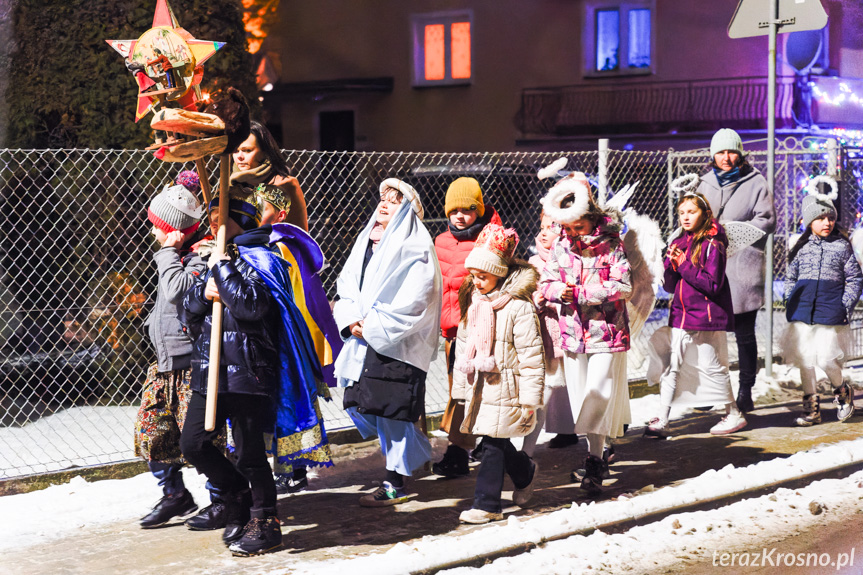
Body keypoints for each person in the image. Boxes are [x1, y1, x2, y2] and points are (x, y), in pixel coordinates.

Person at [180, 187, 321, 556]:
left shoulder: (263, 257)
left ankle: (265, 520)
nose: (212, 230)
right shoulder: (214, 257)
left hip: (248, 371)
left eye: (219, 222)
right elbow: (188, 311)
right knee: (193, 443)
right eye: (209, 224)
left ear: (239, 221)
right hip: (210, 367)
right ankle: (236, 495)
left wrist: (223, 268)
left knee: (249, 453)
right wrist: (204, 292)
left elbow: (250, 307)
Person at [334, 178, 442, 506]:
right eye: (383, 198)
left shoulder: (417, 245)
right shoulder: (366, 242)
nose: (384, 205)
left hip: (398, 344)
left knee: (392, 411)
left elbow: (417, 298)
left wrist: (375, 326)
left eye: (394, 201)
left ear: (407, 210)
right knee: (364, 406)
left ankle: (395, 479)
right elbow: (347, 280)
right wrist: (352, 319)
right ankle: (415, 455)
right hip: (365, 338)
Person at [540, 172, 631, 494]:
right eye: (568, 227)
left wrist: (579, 293)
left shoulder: (611, 244)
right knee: (582, 399)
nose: (574, 232)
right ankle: (597, 453)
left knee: (598, 392)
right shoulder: (562, 246)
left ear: (591, 218)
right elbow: (546, 282)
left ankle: (595, 459)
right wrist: (556, 292)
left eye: (579, 225)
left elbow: (623, 286)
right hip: (573, 334)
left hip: (606, 332)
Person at [453, 224, 544, 524]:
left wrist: (530, 399)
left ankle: (488, 504)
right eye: (474, 276)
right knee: (495, 440)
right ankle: (525, 471)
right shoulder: (476, 303)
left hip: (508, 386)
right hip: (481, 384)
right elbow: (464, 346)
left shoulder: (519, 307)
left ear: (500, 274)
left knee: (492, 443)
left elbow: (532, 356)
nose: (477, 283)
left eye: (484, 277)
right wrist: (459, 389)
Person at [256, 183, 337, 495]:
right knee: (275, 405)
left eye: (260, 208)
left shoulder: (283, 246)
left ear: (280, 213)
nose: (254, 214)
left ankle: (294, 468)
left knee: (292, 402)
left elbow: (301, 297)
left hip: (288, 338)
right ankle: (282, 466)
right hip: (269, 336)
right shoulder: (257, 243)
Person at [135, 178, 206, 528]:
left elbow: (178, 293)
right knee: (152, 432)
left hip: (190, 367)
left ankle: (225, 496)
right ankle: (175, 494)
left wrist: (168, 251)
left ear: (174, 230)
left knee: (204, 442)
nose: (152, 232)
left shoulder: (198, 259)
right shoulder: (174, 256)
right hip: (163, 367)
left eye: (157, 227)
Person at [644, 190, 744, 438]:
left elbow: (712, 284)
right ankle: (663, 419)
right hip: (681, 315)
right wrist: (668, 266)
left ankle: (734, 414)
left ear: (704, 213)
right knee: (672, 365)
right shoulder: (678, 242)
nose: (685, 217)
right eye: (681, 213)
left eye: (692, 211)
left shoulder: (714, 243)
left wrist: (684, 265)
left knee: (715, 368)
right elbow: (669, 286)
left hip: (706, 318)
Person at [697, 129, 776, 413]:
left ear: (740, 153)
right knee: (709, 334)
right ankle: (711, 390)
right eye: (720, 152)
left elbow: (766, 220)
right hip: (710, 269)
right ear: (712, 155)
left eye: (731, 152)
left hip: (743, 266)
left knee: (744, 334)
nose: (726, 158)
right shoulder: (704, 183)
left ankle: (745, 390)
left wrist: (734, 234)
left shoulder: (756, 182)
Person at [433, 177, 503, 477]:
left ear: (479, 209)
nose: (460, 216)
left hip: (484, 331)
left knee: (485, 393)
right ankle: (464, 448)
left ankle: (466, 449)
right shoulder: (441, 242)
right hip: (452, 333)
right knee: (459, 394)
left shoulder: (491, 238)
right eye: (454, 210)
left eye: (467, 209)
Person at [782, 183, 862, 426]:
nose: (826, 222)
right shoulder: (801, 248)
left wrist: (845, 304)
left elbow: (855, 278)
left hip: (830, 311)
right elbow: (790, 277)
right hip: (802, 311)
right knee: (806, 359)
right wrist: (790, 298)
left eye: (830, 218)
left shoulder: (841, 247)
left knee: (827, 357)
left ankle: (842, 392)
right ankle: (811, 409)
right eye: (820, 218)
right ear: (809, 222)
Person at [522, 212, 576, 457]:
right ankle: (528, 449)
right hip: (545, 336)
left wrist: (556, 299)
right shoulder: (534, 263)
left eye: (550, 228)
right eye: (541, 227)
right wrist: (539, 300)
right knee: (546, 389)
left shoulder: (570, 260)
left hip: (570, 334)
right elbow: (528, 296)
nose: (543, 233)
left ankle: (581, 434)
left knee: (573, 386)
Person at [231, 121, 308, 231]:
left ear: (264, 152)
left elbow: (300, 233)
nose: (240, 157)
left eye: (247, 150)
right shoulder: (230, 185)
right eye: (235, 151)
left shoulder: (285, 185)